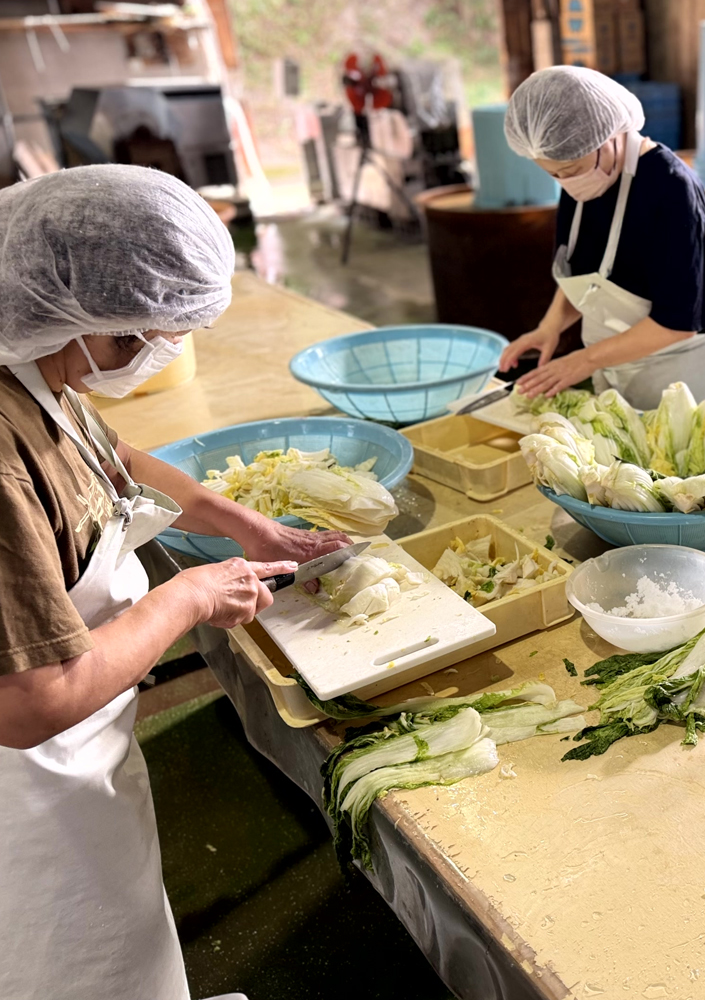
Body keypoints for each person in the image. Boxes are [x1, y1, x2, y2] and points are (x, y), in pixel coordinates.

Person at [0, 165, 350, 1000]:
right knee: (71, 957)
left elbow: (110, 459)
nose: (142, 358)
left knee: (127, 930)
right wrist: (186, 597)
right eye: (131, 339)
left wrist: (238, 520)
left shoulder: (37, 365)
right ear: (63, 307)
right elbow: (29, 702)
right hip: (31, 783)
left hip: (85, 745)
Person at [497, 66, 705, 409]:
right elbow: (587, 277)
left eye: (570, 171)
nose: (566, 182)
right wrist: (550, 327)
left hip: (692, 381)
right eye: (554, 174)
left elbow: (678, 322)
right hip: (622, 373)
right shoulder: (583, 180)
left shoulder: (670, 187)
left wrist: (583, 361)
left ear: (606, 134)